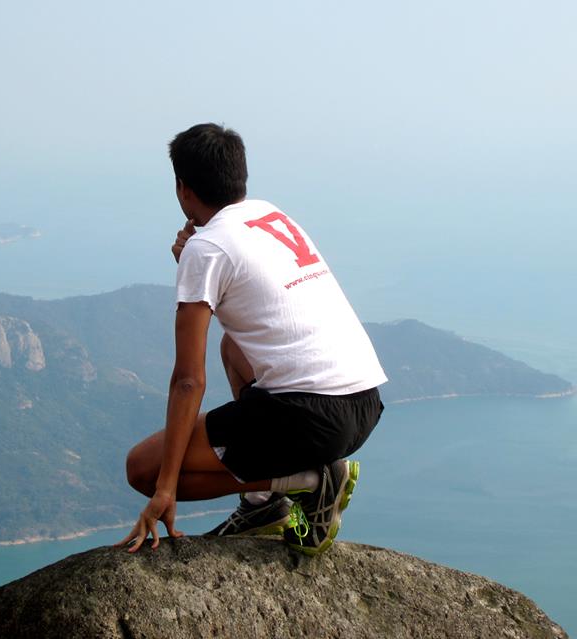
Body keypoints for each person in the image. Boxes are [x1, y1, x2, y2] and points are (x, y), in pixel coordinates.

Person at [118, 123, 386, 555]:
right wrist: (196, 259)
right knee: (232, 347)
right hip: (363, 404)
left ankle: (307, 481)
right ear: (239, 177)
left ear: (183, 189)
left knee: (141, 468)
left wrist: (165, 490)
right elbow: (258, 311)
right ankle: (263, 502)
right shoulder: (269, 215)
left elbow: (189, 380)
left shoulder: (206, 250)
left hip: (310, 416)